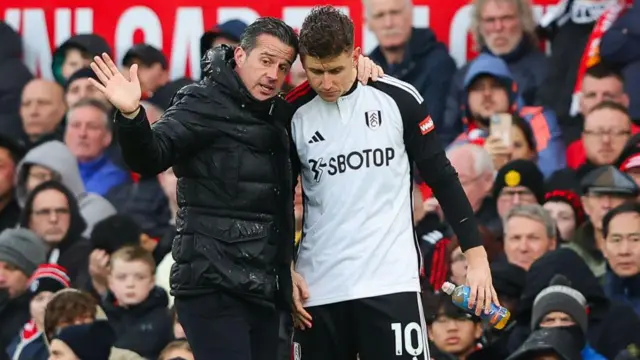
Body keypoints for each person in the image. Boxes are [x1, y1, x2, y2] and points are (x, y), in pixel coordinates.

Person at [88, 15, 382, 360]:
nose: (273, 74)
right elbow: (150, 158)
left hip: (263, 288)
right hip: (211, 285)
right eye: (266, 61)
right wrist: (131, 115)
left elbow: (326, 91)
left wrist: (359, 69)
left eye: (283, 66)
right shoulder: (202, 100)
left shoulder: (280, 112)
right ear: (240, 56)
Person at [286, 7, 497, 360]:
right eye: (316, 72)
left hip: (391, 282)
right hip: (317, 289)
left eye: (336, 70)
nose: (326, 83)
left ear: (356, 55)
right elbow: (274, 198)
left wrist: (477, 259)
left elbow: (443, 179)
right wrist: (284, 268)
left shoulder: (400, 99)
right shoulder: (291, 113)